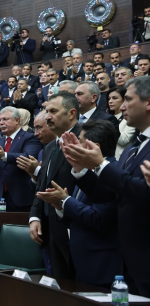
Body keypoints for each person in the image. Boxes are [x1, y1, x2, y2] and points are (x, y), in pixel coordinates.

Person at [61, 76, 150, 295]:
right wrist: (81, 169)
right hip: (127, 261)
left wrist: (100, 165)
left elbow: (142, 193)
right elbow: (113, 195)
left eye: (128, 99)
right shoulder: (131, 149)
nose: (121, 106)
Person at [36, 120, 122, 288]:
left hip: (102, 267)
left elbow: (98, 218)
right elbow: (77, 219)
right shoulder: (84, 172)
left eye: (78, 142)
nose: (73, 146)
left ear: (93, 147)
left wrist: (66, 201)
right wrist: (61, 207)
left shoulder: (113, 173)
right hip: (80, 262)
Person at [29, 92, 82, 279]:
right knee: (59, 284)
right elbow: (41, 186)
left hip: (75, 226)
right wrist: (34, 217)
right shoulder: (50, 146)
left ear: (71, 113)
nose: (48, 116)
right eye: (46, 111)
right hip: (50, 227)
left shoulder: (85, 138)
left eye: (53, 111)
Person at [0, 106, 42, 211]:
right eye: (0, 120)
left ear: (17, 120)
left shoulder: (29, 138)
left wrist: (4, 155)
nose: (1, 123)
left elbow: (28, 157)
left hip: (23, 197)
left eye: (5, 119)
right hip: (2, 197)